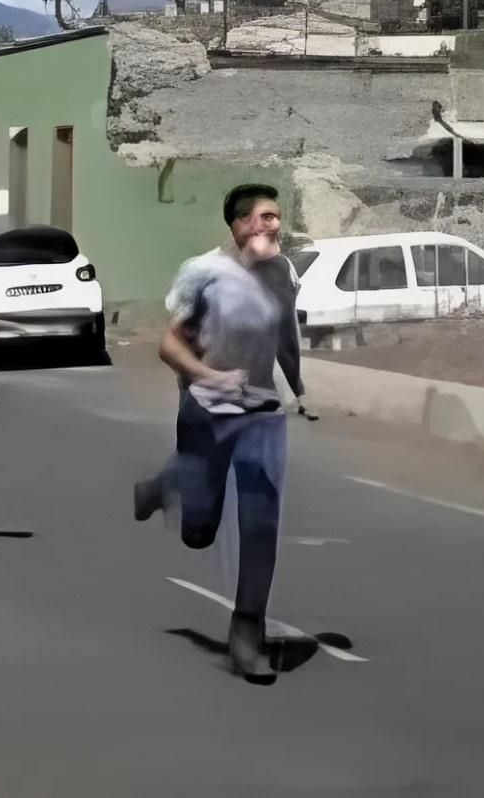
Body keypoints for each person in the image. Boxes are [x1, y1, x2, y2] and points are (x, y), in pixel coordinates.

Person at [135, 183, 314, 683]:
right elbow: (169, 346)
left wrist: (297, 385)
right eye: (262, 217)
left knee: (261, 521)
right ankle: (162, 485)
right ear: (238, 225)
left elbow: (285, 335)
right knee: (198, 531)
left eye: (276, 217)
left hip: (261, 412)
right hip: (206, 410)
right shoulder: (204, 274)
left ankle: (247, 633)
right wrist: (209, 377)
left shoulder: (282, 272)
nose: (272, 226)